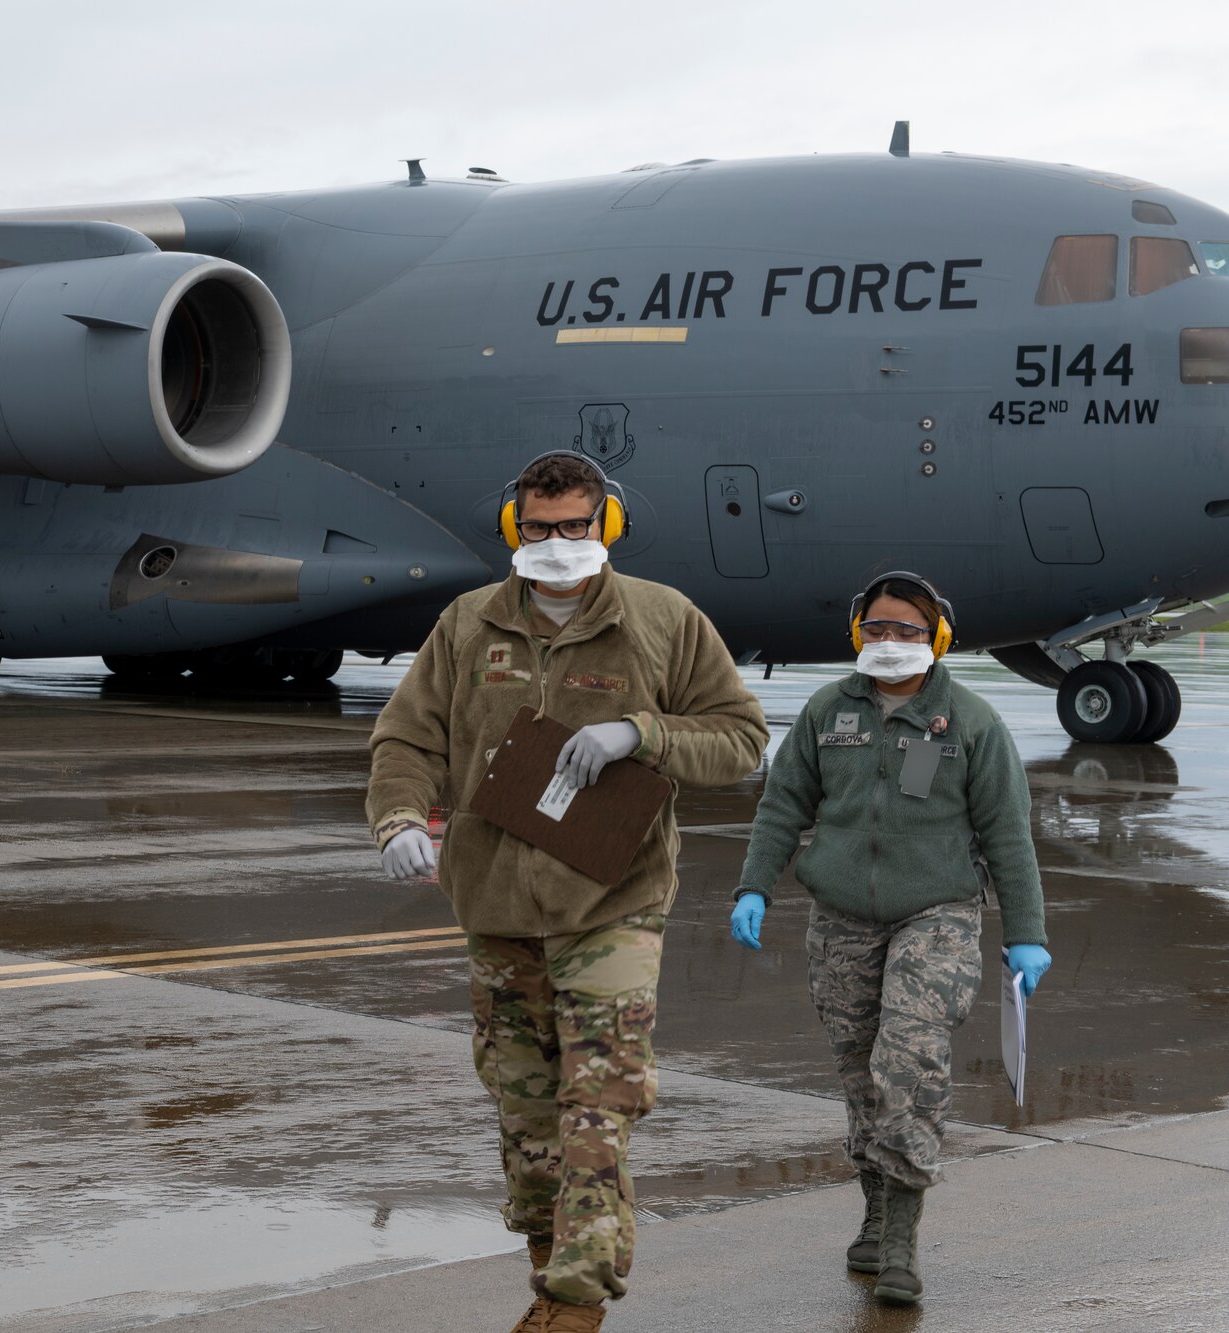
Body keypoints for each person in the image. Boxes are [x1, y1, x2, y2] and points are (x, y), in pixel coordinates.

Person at [369, 451, 768, 1333]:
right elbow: (406, 735)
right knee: (525, 1104)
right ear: (517, 529)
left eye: (576, 526)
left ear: (607, 526)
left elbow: (741, 736)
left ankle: (576, 1299)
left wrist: (644, 733)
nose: (558, 544)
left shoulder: (663, 620)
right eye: (541, 529)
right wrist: (399, 817)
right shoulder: (468, 624)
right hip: (498, 906)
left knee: (601, 1096)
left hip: (612, 899)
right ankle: (548, 1261)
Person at [728, 571, 1053, 1305]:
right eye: (876, 627)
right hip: (840, 915)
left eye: (908, 629)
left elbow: (1007, 834)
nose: (890, 641)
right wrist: (755, 883)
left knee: (906, 1064)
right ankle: (875, 1208)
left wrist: (1025, 931)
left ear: (937, 638)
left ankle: (902, 1235)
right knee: (858, 1070)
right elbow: (783, 803)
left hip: (935, 913)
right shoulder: (826, 712)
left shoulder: (969, 722)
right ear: (857, 634)